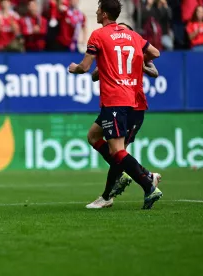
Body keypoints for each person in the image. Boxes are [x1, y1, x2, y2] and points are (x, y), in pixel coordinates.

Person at [68, 0, 163, 210]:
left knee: (118, 151)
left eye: (98, 8)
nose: (96, 11)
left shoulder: (98, 35)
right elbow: (155, 53)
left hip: (116, 99)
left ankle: (147, 183)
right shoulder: (131, 35)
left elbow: (84, 67)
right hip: (128, 98)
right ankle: (132, 177)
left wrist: (74, 68)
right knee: (93, 136)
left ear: (103, 14)